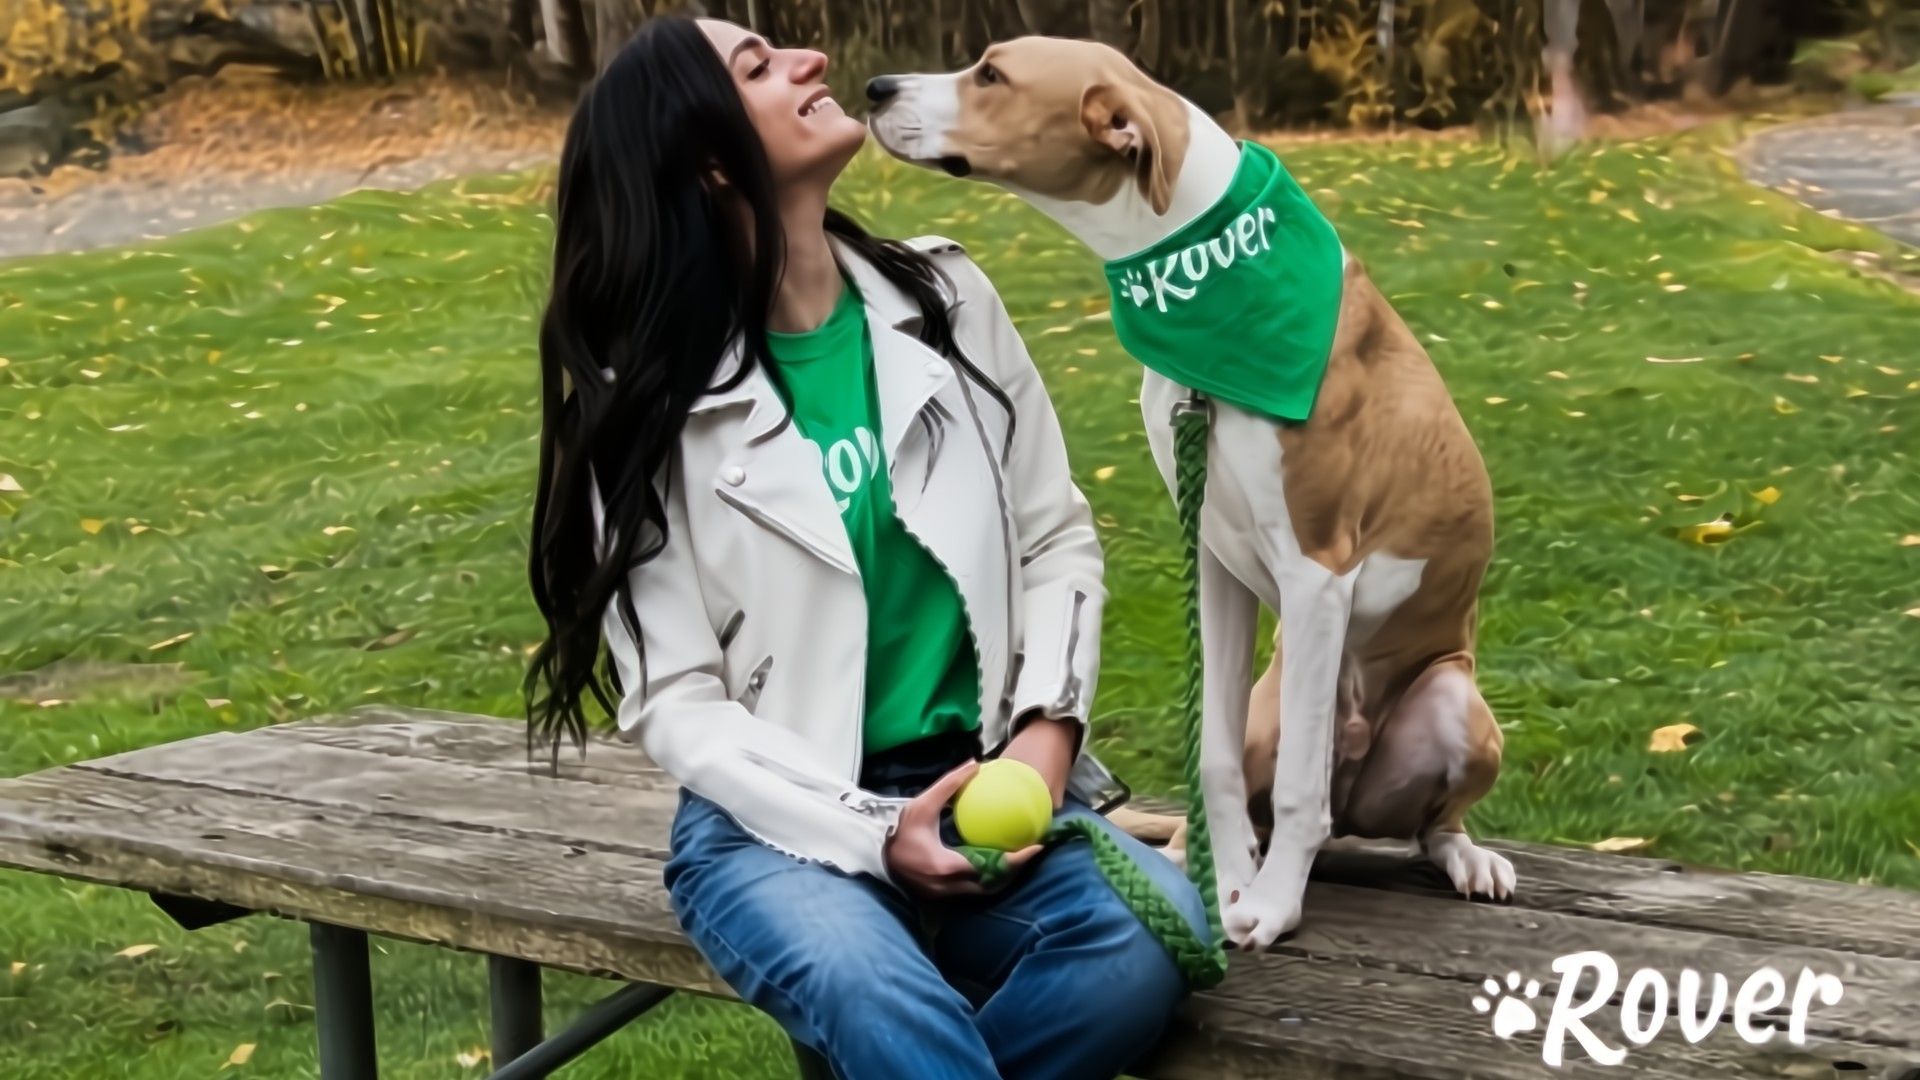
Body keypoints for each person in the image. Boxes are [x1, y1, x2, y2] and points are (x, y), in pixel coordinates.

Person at [522, 15, 1209, 1079]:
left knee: (1141, 940)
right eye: (760, 66)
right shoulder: (640, 411)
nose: (811, 62)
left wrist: (1045, 735)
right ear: (710, 161)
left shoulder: (948, 302)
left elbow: (1054, 538)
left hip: (982, 774)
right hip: (775, 823)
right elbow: (677, 702)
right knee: (870, 988)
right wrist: (875, 833)